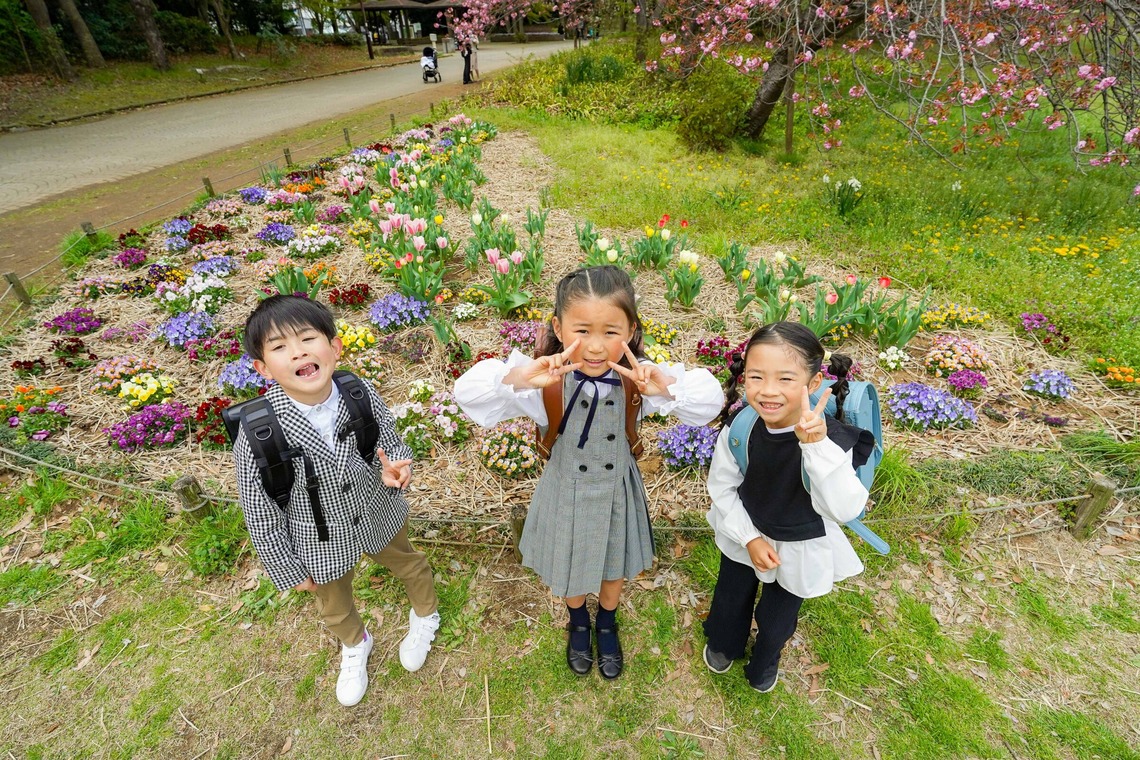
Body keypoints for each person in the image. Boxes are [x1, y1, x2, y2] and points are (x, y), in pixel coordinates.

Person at [454, 266, 723, 679]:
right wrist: (518, 377)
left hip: (617, 488)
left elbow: (709, 404)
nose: (596, 347)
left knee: (613, 563)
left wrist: (666, 386)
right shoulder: (544, 382)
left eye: (611, 332)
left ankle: (607, 621)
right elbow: (467, 394)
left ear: (631, 331)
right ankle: (578, 620)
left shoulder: (637, 380)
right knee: (571, 559)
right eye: (582, 331)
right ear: (558, 329)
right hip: (567, 487)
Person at [232, 295, 441, 707]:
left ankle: (425, 613)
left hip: (377, 508)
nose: (298, 352)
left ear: (335, 346)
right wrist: (287, 569)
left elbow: (390, 440)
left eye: (308, 338)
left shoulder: (357, 392)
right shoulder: (259, 433)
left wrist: (398, 468)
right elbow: (260, 513)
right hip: (316, 537)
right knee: (333, 602)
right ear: (263, 368)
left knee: (409, 563)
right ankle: (355, 641)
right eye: (279, 347)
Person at [703, 322, 872, 692]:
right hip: (745, 528)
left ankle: (766, 659)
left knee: (778, 614)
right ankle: (724, 642)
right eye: (756, 377)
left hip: (799, 542)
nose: (768, 390)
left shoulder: (830, 442)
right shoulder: (741, 427)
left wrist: (816, 448)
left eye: (785, 379)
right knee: (731, 595)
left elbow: (845, 507)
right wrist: (749, 539)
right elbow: (722, 486)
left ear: (813, 383)